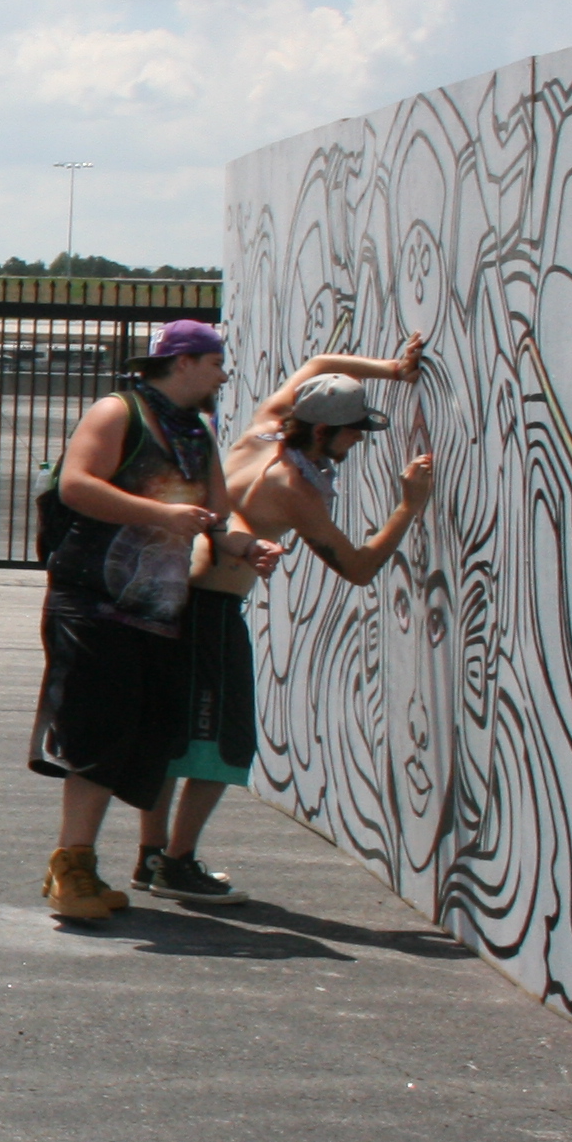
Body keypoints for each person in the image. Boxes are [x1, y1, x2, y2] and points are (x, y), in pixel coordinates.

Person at [133, 339, 439, 898]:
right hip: (211, 615)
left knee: (170, 734)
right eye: (352, 433)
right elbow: (358, 567)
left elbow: (319, 365)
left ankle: (152, 855)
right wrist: (408, 506)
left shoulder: (267, 426)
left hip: (175, 599)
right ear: (322, 431)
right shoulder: (294, 488)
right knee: (223, 743)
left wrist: (394, 369)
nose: (357, 442)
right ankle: (176, 864)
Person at [30, 319, 275, 921]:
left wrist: (245, 546)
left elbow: (214, 520)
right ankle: (70, 868)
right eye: (215, 363)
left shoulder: (195, 432)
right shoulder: (120, 412)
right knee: (94, 738)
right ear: (184, 362)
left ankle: (90, 866)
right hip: (93, 601)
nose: (223, 375)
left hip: (158, 612)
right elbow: (76, 485)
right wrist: (161, 514)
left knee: (137, 740)